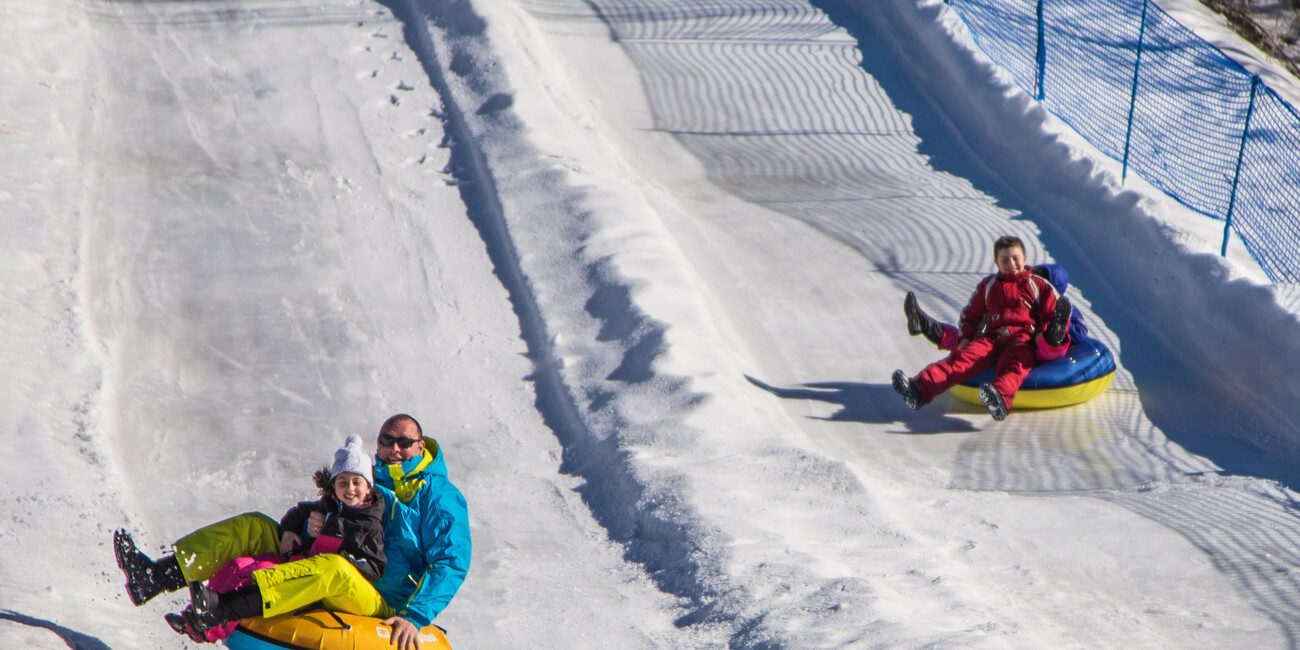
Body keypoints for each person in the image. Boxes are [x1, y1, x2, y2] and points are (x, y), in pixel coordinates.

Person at [113, 414, 471, 650]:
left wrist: (415, 616)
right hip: (340, 570)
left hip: (382, 599)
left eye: (404, 443)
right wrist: (299, 528)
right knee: (254, 525)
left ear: (420, 447)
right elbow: (324, 509)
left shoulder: (437, 495)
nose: (395, 448)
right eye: (387, 440)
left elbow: (451, 561)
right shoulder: (367, 478)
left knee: (335, 569)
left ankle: (224, 608)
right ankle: (153, 577)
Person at [161, 434, 389, 641]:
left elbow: (373, 567)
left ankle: (217, 616)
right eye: (343, 482)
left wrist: (341, 552)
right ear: (334, 486)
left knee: (271, 573)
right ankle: (194, 618)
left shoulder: (367, 524)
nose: (350, 488)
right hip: (306, 567)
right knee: (240, 566)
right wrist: (291, 530)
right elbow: (299, 511)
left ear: (368, 487)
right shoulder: (330, 506)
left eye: (357, 482)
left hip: (332, 584)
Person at [892, 235, 1072, 420]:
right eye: (1004, 259)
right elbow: (971, 315)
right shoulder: (989, 286)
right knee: (961, 359)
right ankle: (918, 389)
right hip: (992, 338)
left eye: (1015, 258)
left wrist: (1047, 331)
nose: (1011, 263)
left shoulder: (1037, 284)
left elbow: (1051, 311)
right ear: (996, 262)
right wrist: (966, 338)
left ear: (1025, 259)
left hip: (1022, 338)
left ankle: (1000, 399)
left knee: (1014, 364)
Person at [904, 262, 1086, 359]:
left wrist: (1058, 324)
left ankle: (1055, 330)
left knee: (1045, 342)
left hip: (1039, 349)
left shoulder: (1063, 307)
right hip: (1009, 341)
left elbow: (1080, 332)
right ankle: (926, 325)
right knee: (971, 340)